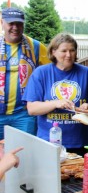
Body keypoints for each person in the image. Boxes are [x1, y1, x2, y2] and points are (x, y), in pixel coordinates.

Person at [22, 33, 88, 156]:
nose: (68, 55)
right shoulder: (41, 73)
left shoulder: (87, 74)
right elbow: (32, 109)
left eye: (72, 50)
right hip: (49, 142)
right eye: (64, 51)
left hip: (80, 141)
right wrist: (56, 103)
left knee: (78, 175)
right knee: (49, 175)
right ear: (53, 52)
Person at [0, 7, 50, 139]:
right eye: (11, 23)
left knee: (25, 153)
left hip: (25, 114)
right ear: (2, 23)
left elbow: (52, 73)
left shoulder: (36, 47)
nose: (15, 27)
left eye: (19, 24)